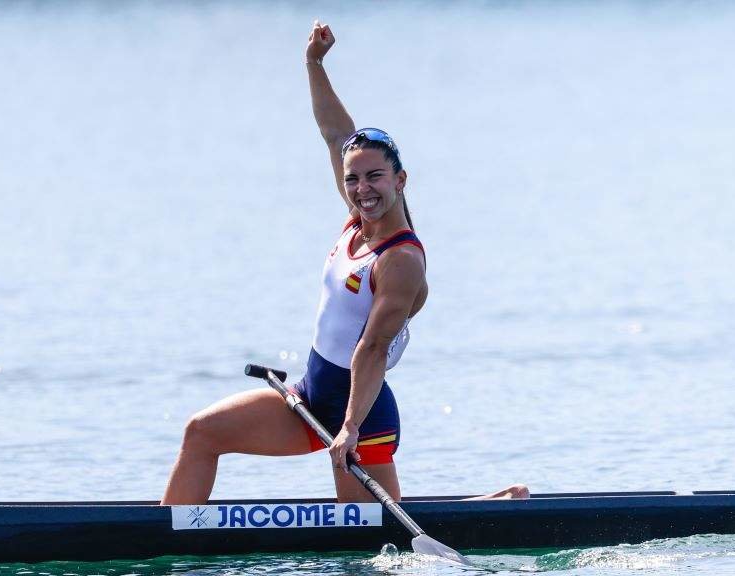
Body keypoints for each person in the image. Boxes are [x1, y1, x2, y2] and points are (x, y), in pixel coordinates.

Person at [161, 21, 527, 505]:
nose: (362, 189)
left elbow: (372, 349)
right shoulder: (356, 221)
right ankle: (165, 541)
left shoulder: (400, 260)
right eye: (353, 180)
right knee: (201, 433)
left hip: (362, 411)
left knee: (374, 541)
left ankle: (498, 506)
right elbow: (336, 135)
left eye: (375, 177)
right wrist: (313, 63)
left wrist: (350, 427)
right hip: (311, 395)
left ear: (401, 180)